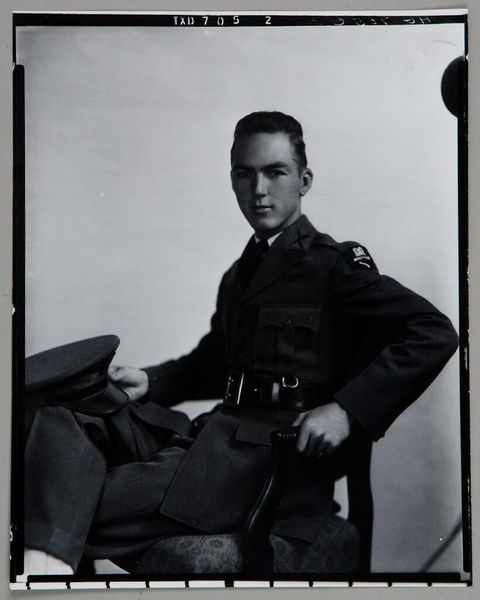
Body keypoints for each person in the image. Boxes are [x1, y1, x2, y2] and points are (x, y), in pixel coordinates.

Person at [23, 111, 459, 575]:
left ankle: (40, 576)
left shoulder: (333, 266)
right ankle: (45, 567)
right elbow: (213, 363)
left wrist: (346, 411)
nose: (259, 190)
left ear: (304, 180)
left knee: (59, 495)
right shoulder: (240, 274)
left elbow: (433, 331)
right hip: (209, 443)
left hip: (268, 466)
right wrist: (149, 381)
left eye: (275, 172)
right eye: (244, 174)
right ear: (232, 180)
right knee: (65, 413)